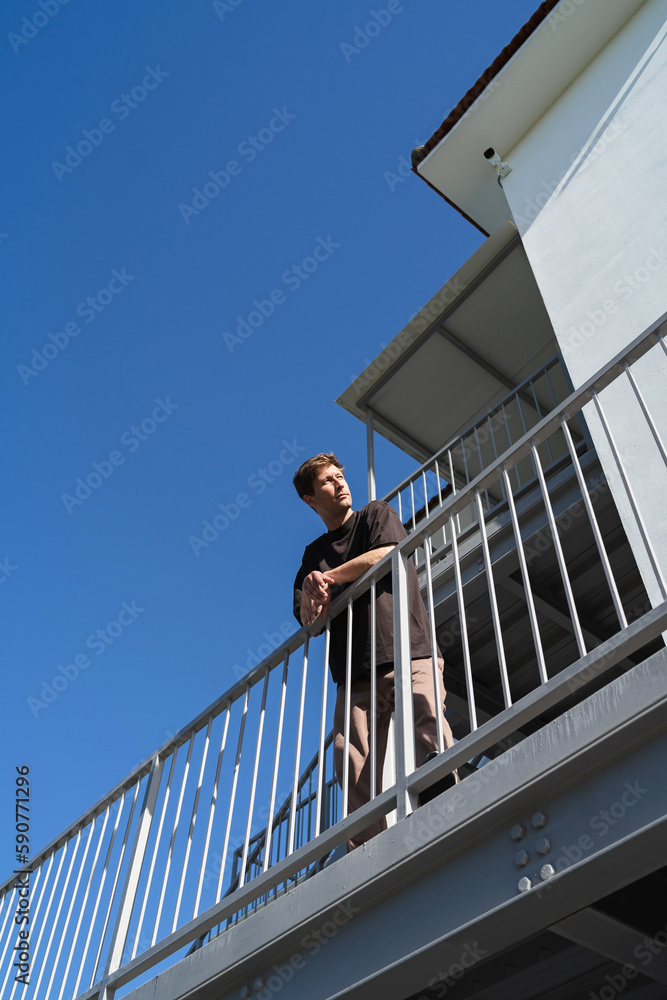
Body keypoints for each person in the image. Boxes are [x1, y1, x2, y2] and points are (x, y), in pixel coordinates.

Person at [292, 453, 456, 849]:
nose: (340, 483)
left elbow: (387, 554)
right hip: (353, 670)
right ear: (311, 500)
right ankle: (368, 850)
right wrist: (310, 593)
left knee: (427, 722)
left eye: (340, 476)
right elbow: (308, 622)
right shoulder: (312, 555)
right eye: (328, 482)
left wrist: (330, 578)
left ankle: (447, 809)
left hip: (407, 648)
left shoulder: (375, 515)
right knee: (351, 759)